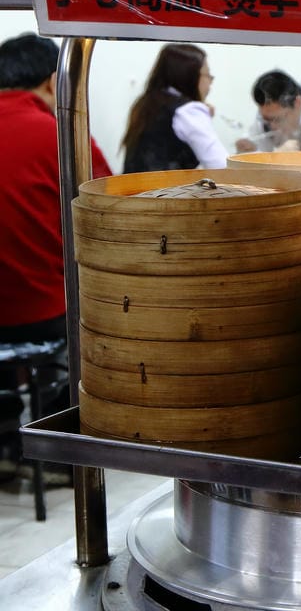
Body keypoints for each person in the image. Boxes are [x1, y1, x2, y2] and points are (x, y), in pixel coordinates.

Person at [0, 33, 113, 482]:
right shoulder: (59, 133)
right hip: (43, 313)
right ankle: (55, 449)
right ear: (54, 81)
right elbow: (109, 211)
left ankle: (6, 436)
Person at [121, 43, 228, 173]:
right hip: (165, 186)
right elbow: (221, 165)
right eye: (208, 74)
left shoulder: (146, 103)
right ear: (191, 76)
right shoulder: (188, 110)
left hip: (133, 184)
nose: (210, 81)